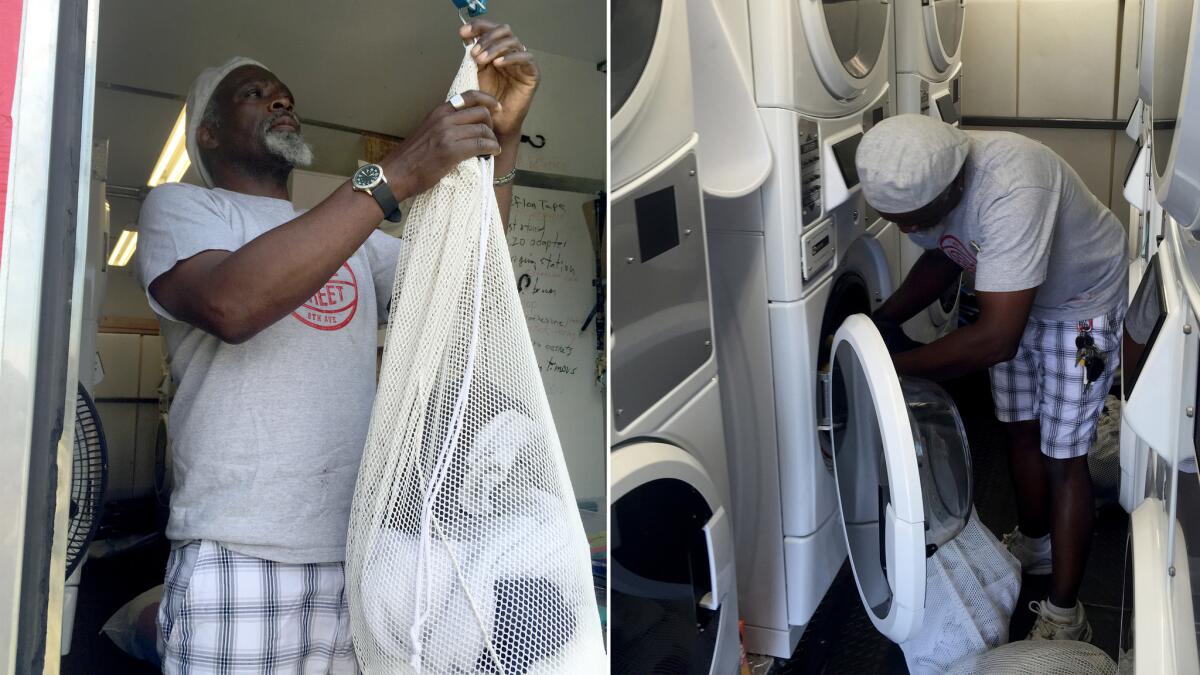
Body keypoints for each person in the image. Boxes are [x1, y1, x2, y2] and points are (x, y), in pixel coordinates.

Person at [135, 20, 539, 673]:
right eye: (254, 93)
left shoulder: (346, 236)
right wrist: (396, 174)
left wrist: (504, 144)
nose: (280, 100)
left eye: (285, 95)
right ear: (206, 132)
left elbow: (465, 297)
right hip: (239, 552)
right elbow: (231, 305)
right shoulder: (182, 209)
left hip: (358, 553)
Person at [855, 114, 1128, 642]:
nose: (909, 230)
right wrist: (881, 320)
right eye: (897, 222)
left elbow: (996, 339)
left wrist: (887, 368)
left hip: (1081, 307)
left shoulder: (1013, 186)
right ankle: (1036, 543)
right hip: (1014, 295)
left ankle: (1066, 613)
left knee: (1063, 456)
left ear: (955, 183)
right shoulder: (928, 183)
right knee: (1018, 427)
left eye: (916, 219)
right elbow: (944, 256)